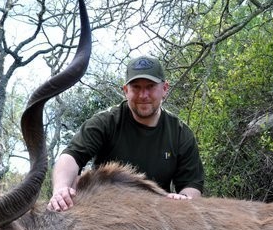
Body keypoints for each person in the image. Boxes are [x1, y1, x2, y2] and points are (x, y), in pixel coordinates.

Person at [47, 55, 204, 212]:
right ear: (125, 90)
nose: (143, 95)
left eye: (150, 86)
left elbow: (191, 185)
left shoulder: (180, 133)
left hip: (157, 215)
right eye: (136, 87)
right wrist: (61, 189)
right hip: (104, 211)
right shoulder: (106, 121)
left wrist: (183, 199)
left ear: (164, 89)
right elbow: (71, 157)